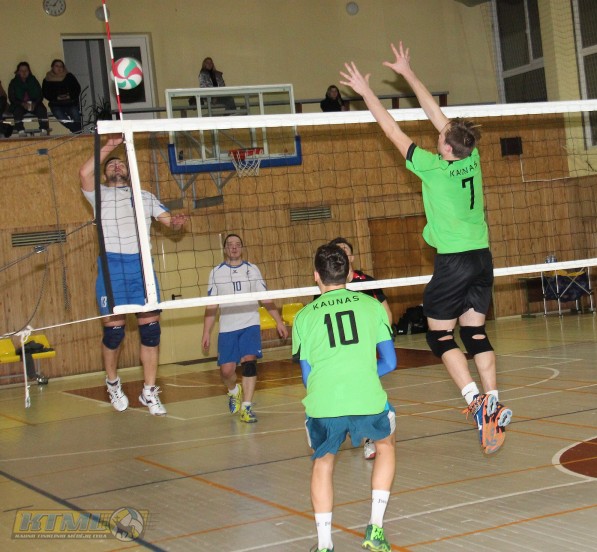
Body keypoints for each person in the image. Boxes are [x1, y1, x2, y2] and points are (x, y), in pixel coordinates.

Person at [340, 41, 512, 455]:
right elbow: (439, 116)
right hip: (482, 257)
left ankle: (475, 402)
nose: (438, 133)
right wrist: (407, 73)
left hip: (454, 262)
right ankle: (493, 400)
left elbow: (392, 131)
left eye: (441, 136)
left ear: (446, 148)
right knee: (474, 331)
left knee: (439, 336)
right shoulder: (471, 157)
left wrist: (366, 92)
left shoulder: (434, 168)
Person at [293, 244, 397, 552]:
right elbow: (390, 362)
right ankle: (375, 528)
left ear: (316, 276)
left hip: (325, 401)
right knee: (386, 445)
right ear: (350, 274)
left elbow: (307, 377)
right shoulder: (373, 307)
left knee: (323, 461)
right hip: (366, 396)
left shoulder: (303, 317)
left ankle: (325, 544)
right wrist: (361, 374)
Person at [79, 135, 187, 416]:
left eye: (120, 164)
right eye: (111, 165)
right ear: (105, 174)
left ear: (128, 171)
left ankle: (149, 390)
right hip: (112, 266)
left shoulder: (144, 196)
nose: (116, 166)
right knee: (114, 333)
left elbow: (170, 222)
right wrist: (110, 145)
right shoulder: (98, 194)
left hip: (141, 266)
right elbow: (84, 172)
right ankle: (113, 383)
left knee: (151, 331)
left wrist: (176, 222)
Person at [201, 234, 288, 423]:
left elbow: (265, 298)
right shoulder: (216, 272)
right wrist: (206, 331)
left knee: (249, 362)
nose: (234, 248)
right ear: (225, 249)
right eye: (230, 245)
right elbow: (211, 305)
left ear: (242, 248)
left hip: (250, 323)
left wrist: (279, 321)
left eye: (237, 244)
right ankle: (234, 390)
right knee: (226, 371)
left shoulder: (252, 269)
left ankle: (246, 407)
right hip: (228, 327)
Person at [328, 237, 393, 461]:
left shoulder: (367, 282)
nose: (342, 253)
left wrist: (382, 339)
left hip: (365, 346)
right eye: (337, 251)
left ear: (352, 257)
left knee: (366, 389)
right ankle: (353, 427)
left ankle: (369, 438)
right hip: (339, 350)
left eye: (345, 250)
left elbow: (385, 312)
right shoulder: (327, 284)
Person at [8, 61, 49, 136]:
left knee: (42, 109)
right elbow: (12, 98)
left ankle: (44, 130)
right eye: (21, 70)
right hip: (19, 104)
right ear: (18, 72)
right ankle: (21, 131)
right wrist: (22, 104)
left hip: (34, 103)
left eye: (26, 70)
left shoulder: (33, 80)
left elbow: (40, 95)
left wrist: (35, 103)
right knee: (17, 111)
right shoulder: (13, 82)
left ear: (29, 71)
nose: (24, 72)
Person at [42, 59, 82, 133]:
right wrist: (56, 97)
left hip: (71, 102)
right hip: (56, 104)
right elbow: (46, 93)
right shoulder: (47, 79)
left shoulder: (69, 76)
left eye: (61, 66)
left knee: (76, 116)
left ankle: (78, 131)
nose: (59, 68)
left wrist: (69, 96)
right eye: (57, 66)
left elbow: (77, 89)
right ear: (52, 67)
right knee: (61, 118)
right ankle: (77, 131)